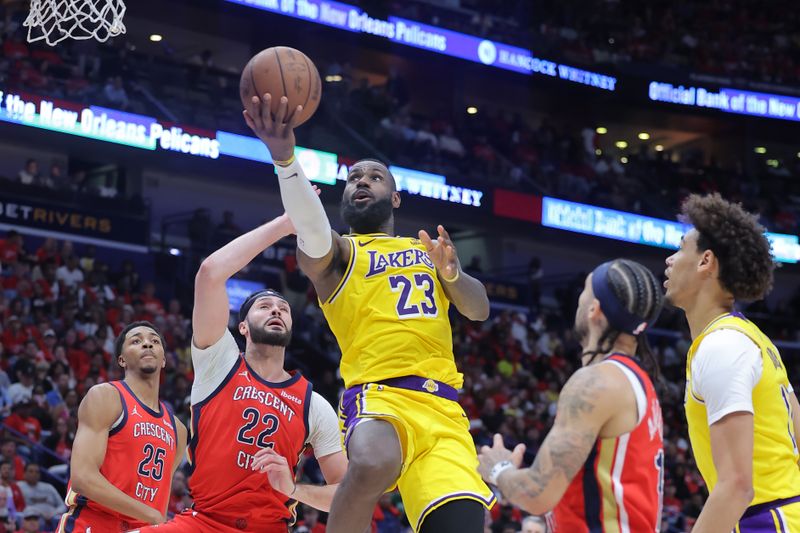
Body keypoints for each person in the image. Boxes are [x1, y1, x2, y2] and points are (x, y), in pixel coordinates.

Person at [244, 94, 493, 533]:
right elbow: (313, 229)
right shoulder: (340, 254)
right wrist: (286, 160)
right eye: (353, 177)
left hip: (444, 411)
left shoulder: (427, 251)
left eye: (375, 177)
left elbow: (479, 310)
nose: (361, 181)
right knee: (374, 460)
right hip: (380, 396)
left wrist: (451, 273)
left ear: (394, 199)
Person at [133, 210, 346, 532]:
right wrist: (285, 224)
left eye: (283, 309)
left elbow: (347, 492)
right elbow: (210, 273)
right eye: (264, 306)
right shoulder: (218, 362)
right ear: (242, 327)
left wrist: (293, 489)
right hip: (203, 522)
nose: (276, 309)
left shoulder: (314, 404)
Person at [477, 259, 664, 532]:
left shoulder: (597, 382)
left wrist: (499, 470)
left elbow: (537, 495)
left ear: (593, 309)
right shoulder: (637, 382)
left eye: (584, 290)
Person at [664, 193, 800, 532]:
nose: (669, 259)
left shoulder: (722, 346)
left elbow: (737, 486)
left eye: (681, 248)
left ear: (705, 261)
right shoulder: (749, 339)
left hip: (767, 521)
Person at [57, 321, 188, 532]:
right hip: (93, 524)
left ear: (164, 360)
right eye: (136, 341)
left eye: (154, 341)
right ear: (122, 359)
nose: (147, 344)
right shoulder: (106, 396)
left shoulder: (179, 430)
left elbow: (159, 494)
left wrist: (153, 518)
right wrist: (150, 514)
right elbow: (83, 477)